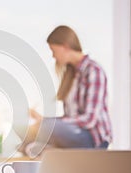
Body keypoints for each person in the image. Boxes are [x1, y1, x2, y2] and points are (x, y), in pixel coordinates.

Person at [26, 25, 112, 154]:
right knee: (28, 134)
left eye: (53, 51)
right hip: (74, 135)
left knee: (46, 126)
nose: (53, 56)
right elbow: (69, 118)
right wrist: (43, 120)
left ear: (65, 46)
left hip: (93, 139)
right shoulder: (71, 75)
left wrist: (47, 122)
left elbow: (89, 120)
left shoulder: (94, 71)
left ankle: (53, 148)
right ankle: (53, 147)